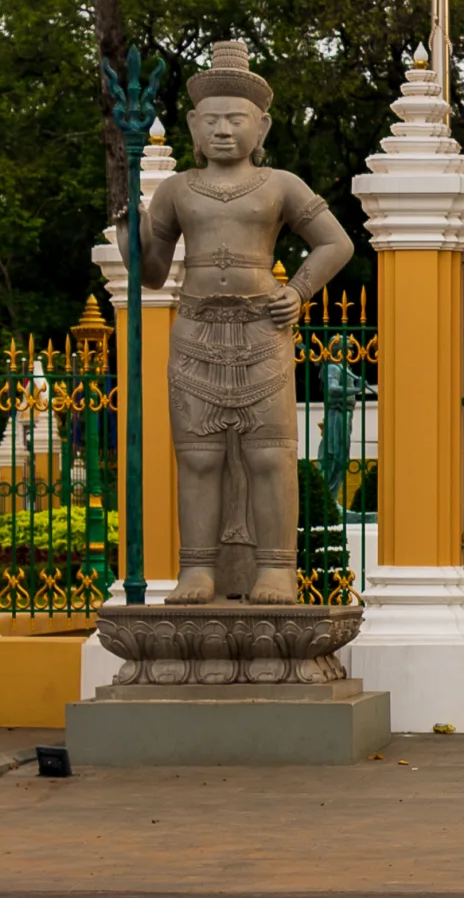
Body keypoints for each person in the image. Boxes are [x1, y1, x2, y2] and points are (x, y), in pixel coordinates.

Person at [126, 39, 354, 603]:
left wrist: (298, 290)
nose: (222, 130)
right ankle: (198, 569)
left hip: (261, 329)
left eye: (236, 119)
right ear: (191, 126)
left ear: (263, 126)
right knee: (198, 457)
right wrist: (131, 233)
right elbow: (153, 274)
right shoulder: (177, 189)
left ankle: (275, 568)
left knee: (269, 453)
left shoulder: (279, 185)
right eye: (210, 120)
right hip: (196, 328)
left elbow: (336, 243)